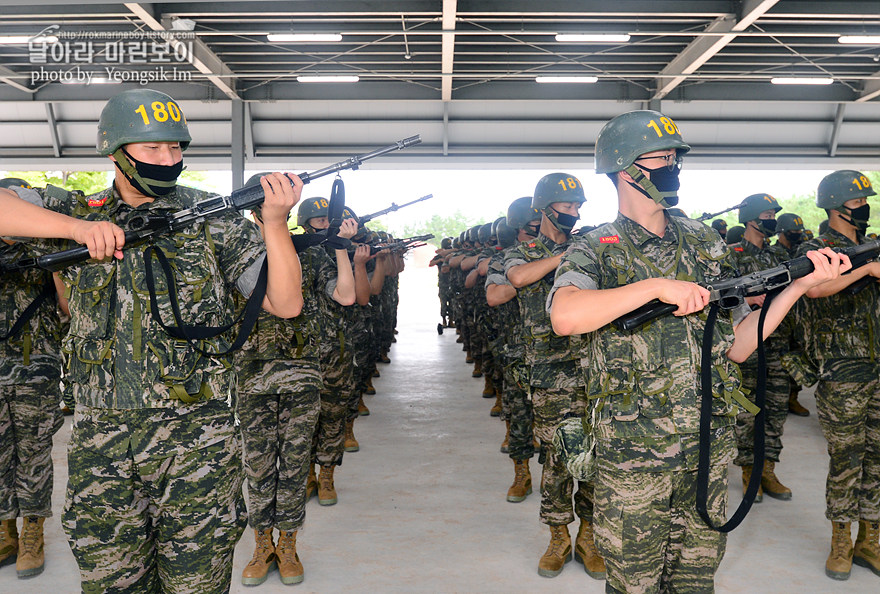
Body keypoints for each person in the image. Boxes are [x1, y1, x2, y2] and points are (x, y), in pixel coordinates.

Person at [0, 88, 305, 592]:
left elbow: (286, 302)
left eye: (176, 148)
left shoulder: (213, 218)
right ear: (115, 151)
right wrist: (76, 229)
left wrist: (274, 223)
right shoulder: (76, 207)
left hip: (197, 443)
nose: (169, 161)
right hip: (102, 445)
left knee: (196, 584)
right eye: (152, 150)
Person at [548, 109, 847, 593]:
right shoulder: (595, 247)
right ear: (626, 170)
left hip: (705, 450)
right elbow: (565, 316)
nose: (673, 168)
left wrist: (798, 287)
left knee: (695, 582)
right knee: (635, 585)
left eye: (675, 159)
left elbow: (738, 347)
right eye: (662, 159)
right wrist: (655, 286)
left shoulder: (703, 242)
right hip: (633, 458)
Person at [235, 179, 358, 586]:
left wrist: (339, 249)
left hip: (301, 371)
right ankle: (261, 543)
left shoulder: (308, 252)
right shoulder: (233, 250)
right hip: (251, 374)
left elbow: (344, 296)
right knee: (257, 465)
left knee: (292, 463)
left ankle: (287, 544)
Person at [504, 173, 605, 580]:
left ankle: (590, 536)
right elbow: (517, 279)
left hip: (596, 369)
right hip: (551, 374)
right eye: (567, 207)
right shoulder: (521, 252)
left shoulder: (591, 247)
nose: (575, 213)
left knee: (599, 457)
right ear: (544, 208)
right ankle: (558, 536)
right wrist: (569, 255)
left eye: (579, 207)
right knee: (559, 458)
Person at [795, 170, 880, 581]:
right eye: (858, 202)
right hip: (843, 370)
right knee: (846, 458)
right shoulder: (816, 249)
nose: (864, 208)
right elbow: (814, 289)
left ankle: (870, 538)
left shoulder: (872, 245)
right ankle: (841, 541)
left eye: (866, 202)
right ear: (836, 204)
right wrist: (866, 270)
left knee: (878, 458)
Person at [0, 179, 67, 578]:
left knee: (34, 454)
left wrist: (52, 258)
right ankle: (6, 530)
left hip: (34, 369)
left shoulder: (45, 251)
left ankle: (32, 533)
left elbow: (67, 307)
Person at [729, 194, 796, 502]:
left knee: (775, 411)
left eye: (773, 213)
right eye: (767, 213)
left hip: (779, 346)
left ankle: (768, 469)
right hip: (747, 348)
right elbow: (722, 298)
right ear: (751, 218)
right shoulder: (730, 255)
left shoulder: (778, 256)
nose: (771, 218)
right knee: (747, 413)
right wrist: (746, 300)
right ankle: (749, 473)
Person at [486, 198, 540, 501]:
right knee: (520, 416)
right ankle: (522, 472)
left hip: (566, 353)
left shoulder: (565, 253)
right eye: (533, 227)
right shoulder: (506, 259)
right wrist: (532, 275)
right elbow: (494, 295)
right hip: (520, 351)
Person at [774, 212, 812, 417]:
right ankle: (778, 399)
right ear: (782, 231)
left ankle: (793, 397)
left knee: (799, 359)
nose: (797, 234)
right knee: (778, 363)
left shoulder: (802, 252)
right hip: (779, 319)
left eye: (799, 231)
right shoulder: (772, 254)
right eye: (793, 231)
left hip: (800, 316)